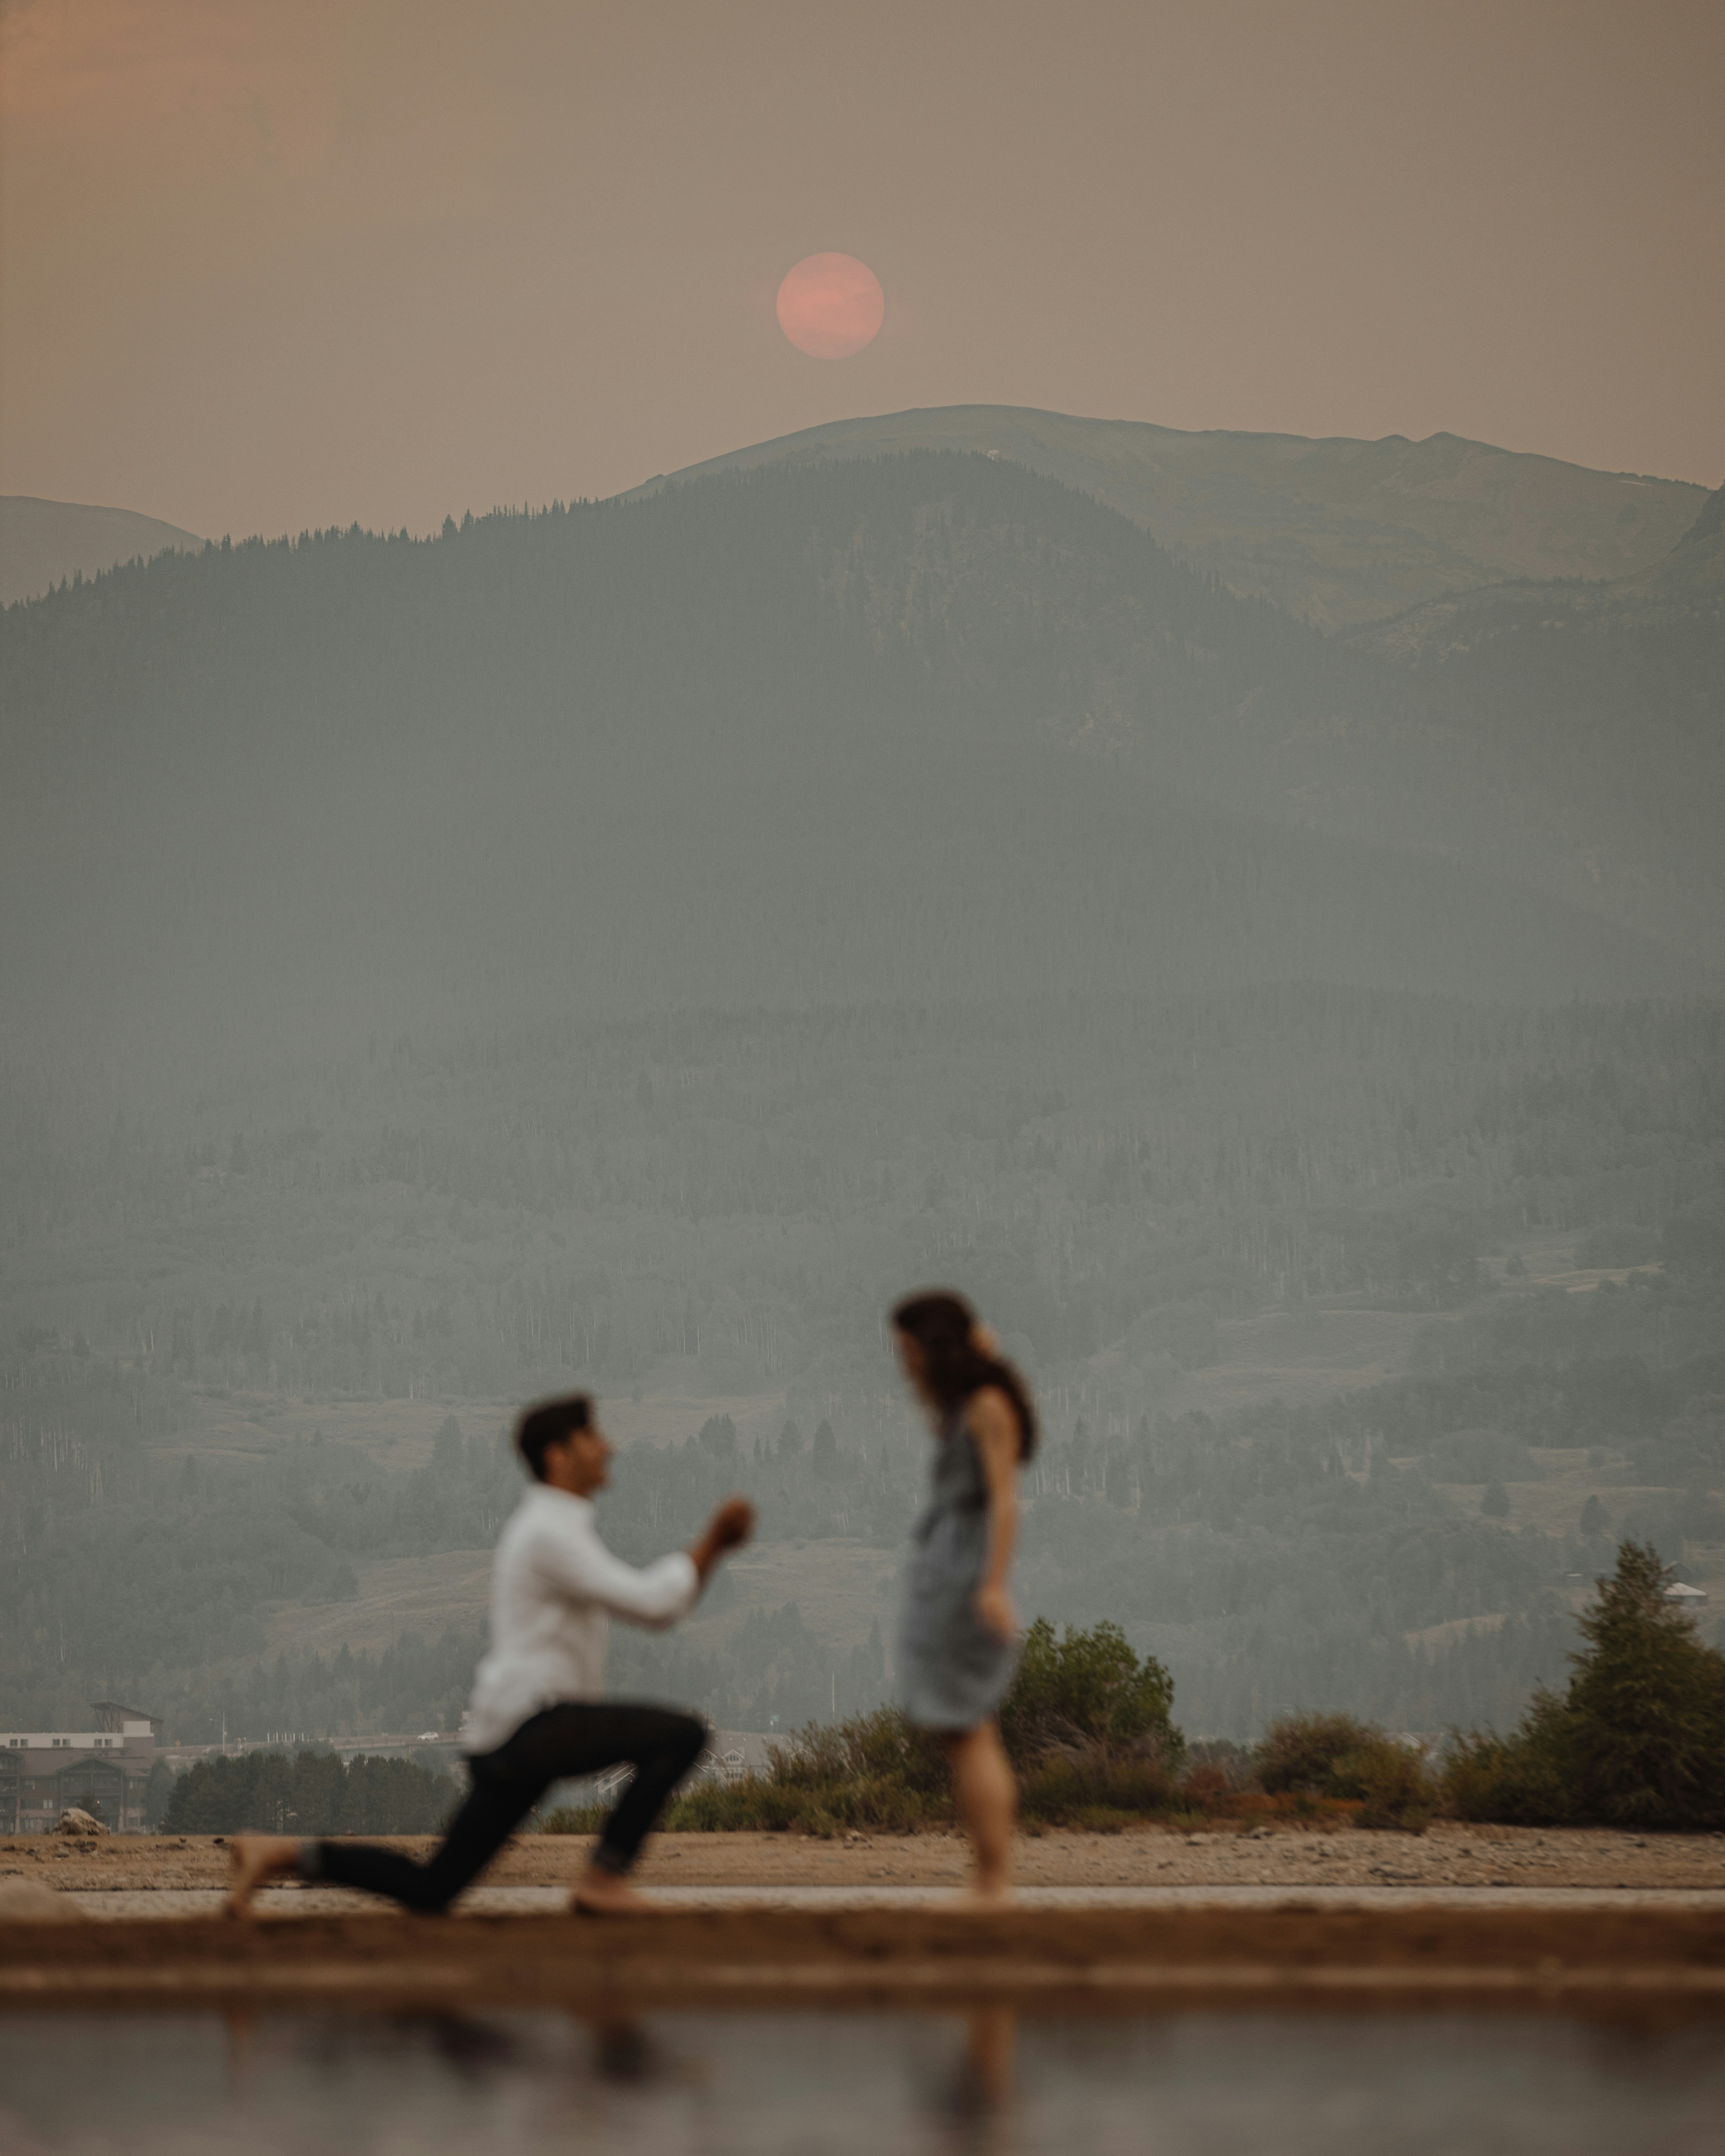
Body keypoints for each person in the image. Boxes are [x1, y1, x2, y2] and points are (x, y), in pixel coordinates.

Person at [227, 1393, 753, 1917]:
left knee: (433, 1888)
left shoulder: (557, 1526)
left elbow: (657, 1606)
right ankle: (604, 1878)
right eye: (592, 1438)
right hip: (534, 1726)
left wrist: (711, 1549)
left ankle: (278, 1853)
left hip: (509, 1737)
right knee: (684, 1735)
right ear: (557, 1456)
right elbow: (654, 1605)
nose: (608, 1449)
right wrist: (715, 1540)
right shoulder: (549, 1531)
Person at [891, 1290, 1037, 1903]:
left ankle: (992, 1880)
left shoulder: (985, 1407)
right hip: (945, 1569)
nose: (905, 1364)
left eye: (910, 1350)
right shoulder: (961, 1406)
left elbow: (1006, 1500)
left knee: (971, 1728)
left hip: (963, 1576)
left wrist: (993, 1586)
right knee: (963, 1729)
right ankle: (988, 1877)